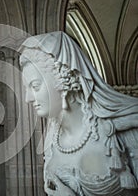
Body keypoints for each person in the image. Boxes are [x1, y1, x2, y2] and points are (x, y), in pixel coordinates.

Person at [19, 31, 138, 195]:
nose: (28, 98)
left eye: (35, 86)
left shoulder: (122, 131)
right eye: (27, 89)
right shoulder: (52, 139)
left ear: (62, 78)